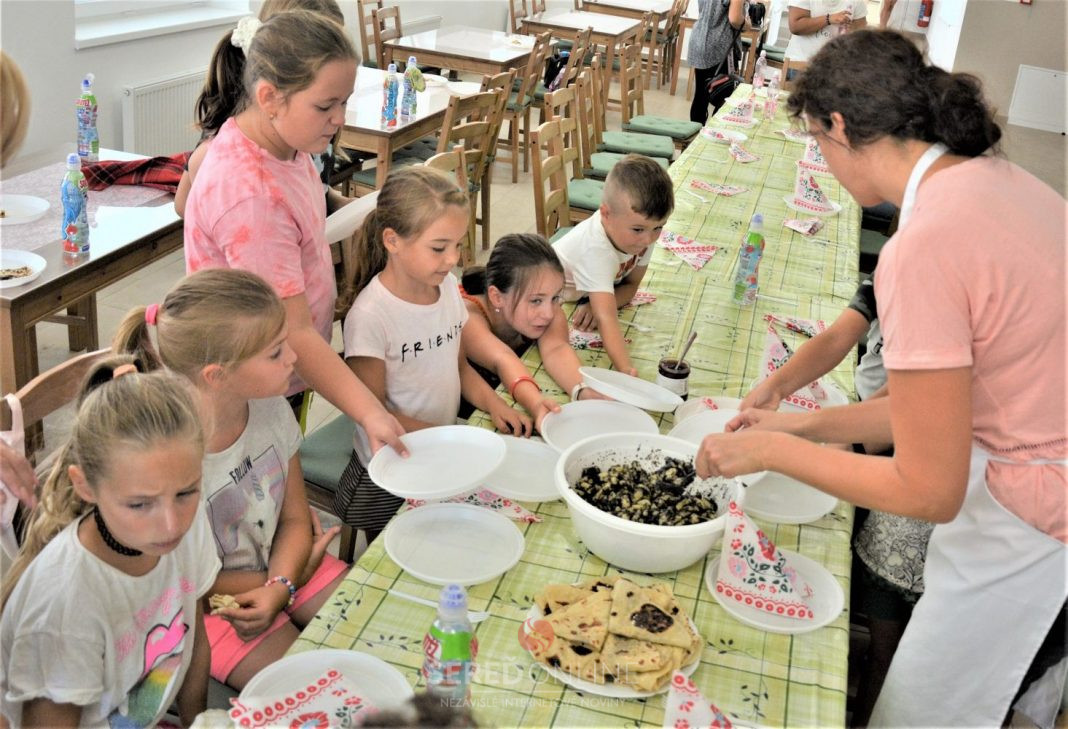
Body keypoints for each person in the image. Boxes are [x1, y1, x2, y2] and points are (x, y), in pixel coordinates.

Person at [696, 30, 1066, 727]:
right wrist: (800, 424)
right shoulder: (994, 180)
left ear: (839, 127)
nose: (822, 160)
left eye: (816, 142)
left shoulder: (926, 243)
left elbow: (928, 489)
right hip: (1033, 467)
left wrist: (771, 449)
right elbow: (928, 409)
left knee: (928, 708)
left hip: (1039, 525)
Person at [111, 269, 349, 691]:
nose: (293, 357)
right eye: (275, 353)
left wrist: (282, 584)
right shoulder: (169, 461)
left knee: (373, 635)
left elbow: (295, 519)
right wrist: (284, 581)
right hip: (206, 609)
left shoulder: (271, 407)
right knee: (314, 689)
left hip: (287, 566)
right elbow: (185, 583)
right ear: (216, 375)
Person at [182, 10, 406, 457]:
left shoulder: (285, 144)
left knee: (287, 458)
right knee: (271, 475)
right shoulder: (252, 196)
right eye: (326, 106)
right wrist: (369, 410)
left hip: (285, 366)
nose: (339, 118)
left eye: (344, 102)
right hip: (252, 381)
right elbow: (293, 331)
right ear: (270, 97)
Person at [737, 278, 933, 726]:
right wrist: (777, 388)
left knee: (901, 642)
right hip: (875, 438)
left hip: (910, 471)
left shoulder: (959, 311)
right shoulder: (900, 270)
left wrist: (802, 441)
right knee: (882, 619)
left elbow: (901, 409)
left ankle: (879, 697)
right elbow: (836, 338)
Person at [0, 362, 220, 727]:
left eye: (186, 492)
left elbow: (194, 642)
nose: (171, 524)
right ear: (85, 485)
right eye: (139, 505)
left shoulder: (184, 521)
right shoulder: (65, 605)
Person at [334, 167, 532, 544]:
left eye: (457, 245)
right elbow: (373, 412)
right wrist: (450, 437)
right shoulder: (371, 316)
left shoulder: (448, 290)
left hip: (438, 451)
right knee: (397, 549)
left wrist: (494, 404)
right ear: (392, 240)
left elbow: (458, 367)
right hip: (391, 468)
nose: (452, 259)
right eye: (439, 248)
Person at [174, 0, 354, 218]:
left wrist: (343, 204)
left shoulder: (312, 128)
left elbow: (316, 185)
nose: (339, 118)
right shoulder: (234, 135)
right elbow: (185, 204)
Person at [459, 234, 608, 426]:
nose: (548, 313)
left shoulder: (547, 308)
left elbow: (557, 349)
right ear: (497, 297)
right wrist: (536, 403)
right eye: (536, 300)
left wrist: (582, 390)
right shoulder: (466, 316)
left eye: (555, 297)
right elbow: (503, 359)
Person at [552, 154, 674, 376]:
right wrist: (626, 371)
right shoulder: (596, 249)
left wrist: (598, 305)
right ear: (606, 214)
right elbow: (606, 319)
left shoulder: (642, 234)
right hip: (550, 303)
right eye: (638, 229)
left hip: (581, 299)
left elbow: (631, 286)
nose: (648, 240)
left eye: (659, 228)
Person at [688, 0, 747, 124]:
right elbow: (735, 19)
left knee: (700, 96)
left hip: (699, 38)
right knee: (725, 98)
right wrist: (747, 24)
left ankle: (695, 132)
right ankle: (714, 133)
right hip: (720, 45)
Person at [784, 0, 867, 63]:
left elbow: (862, 37)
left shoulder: (857, 2)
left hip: (835, 70)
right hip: (800, 64)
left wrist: (851, 33)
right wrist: (829, 19)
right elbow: (795, 26)